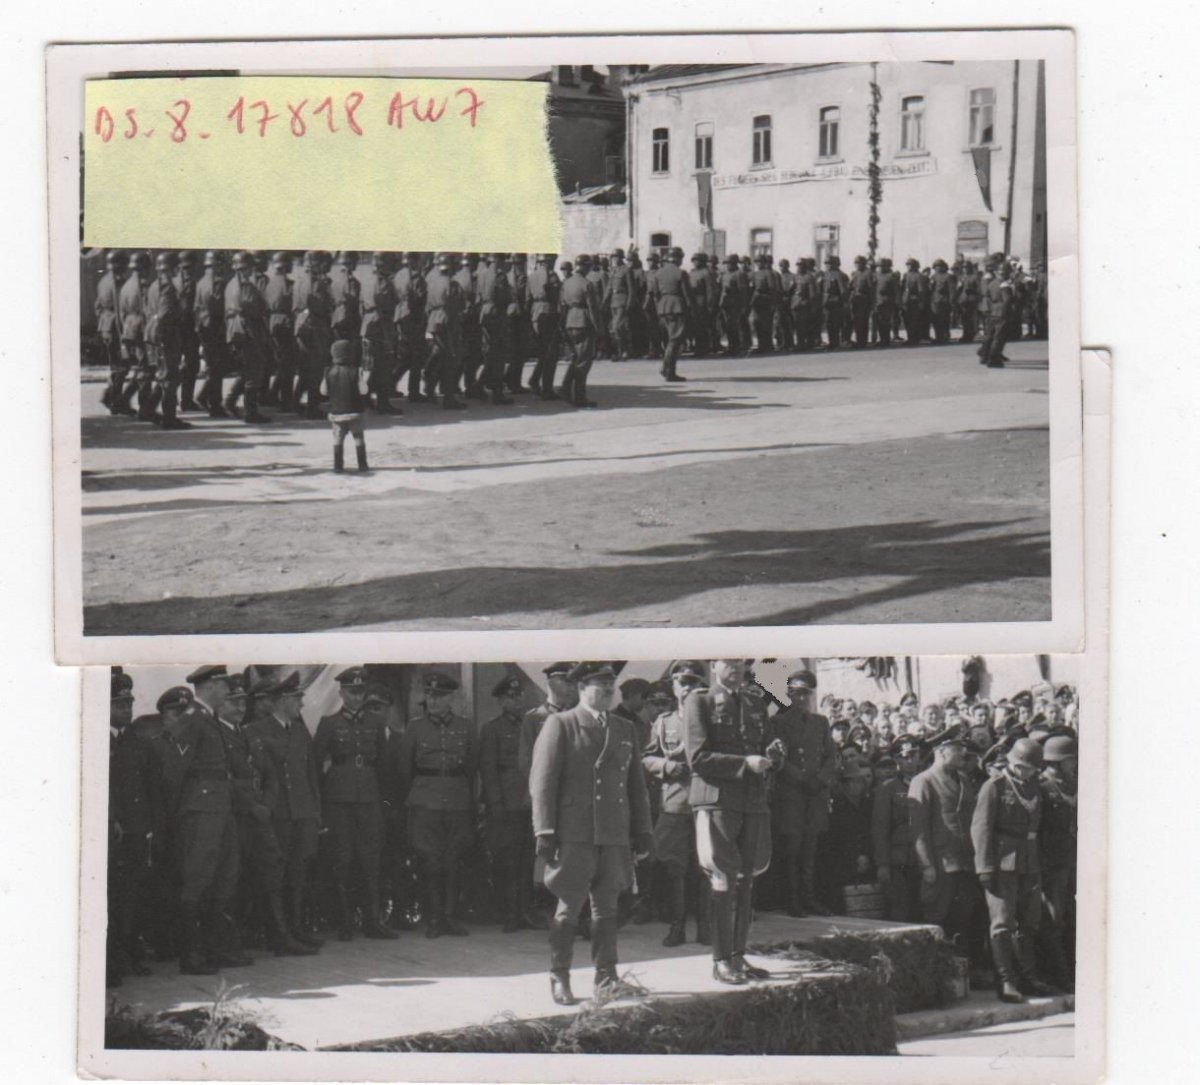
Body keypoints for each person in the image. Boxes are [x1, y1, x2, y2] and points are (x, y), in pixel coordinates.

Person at [530, 661, 653, 1006]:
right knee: (569, 905)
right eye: (601, 686)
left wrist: (643, 829)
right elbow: (543, 781)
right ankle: (559, 976)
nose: (609, 691)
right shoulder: (562, 724)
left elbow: (636, 786)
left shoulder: (623, 728)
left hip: (613, 831)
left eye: (611, 685)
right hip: (575, 831)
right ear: (582, 689)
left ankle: (606, 976)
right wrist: (545, 830)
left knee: (607, 906)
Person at [682, 659, 783, 985]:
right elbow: (697, 757)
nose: (736, 668)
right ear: (714, 665)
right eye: (729, 662)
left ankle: (738, 956)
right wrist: (745, 763)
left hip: (752, 801)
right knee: (722, 879)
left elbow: (766, 746)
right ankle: (721, 959)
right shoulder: (699, 701)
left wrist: (774, 756)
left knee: (748, 880)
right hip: (717, 800)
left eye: (741, 662)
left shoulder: (755, 702)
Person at [161, 665, 244, 975]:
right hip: (201, 809)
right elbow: (174, 770)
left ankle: (214, 948)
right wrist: (180, 812)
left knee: (223, 877)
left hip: (220, 807)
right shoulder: (193, 718)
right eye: (223, 685)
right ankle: (192, 954)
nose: (227, 691)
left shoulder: (208, 719)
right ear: (209, 686)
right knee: (197, 880)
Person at [242, 670, 323, 950]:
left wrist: (315, 813)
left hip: (301, 813)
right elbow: (254, 778)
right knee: (274, 875)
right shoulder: (255, 731)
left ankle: (295, 928)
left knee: (297, 873)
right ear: (282, 701)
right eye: (297, 698)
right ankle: (279, 935)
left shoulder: (300, 731)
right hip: (276, 815)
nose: (301, 704)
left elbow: (311, 776)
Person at [312, 668, 396, 941]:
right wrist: (321, 804)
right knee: (342, 859)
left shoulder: (375, 723)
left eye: (360, 692)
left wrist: (383, 802)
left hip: (369, 799)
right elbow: (315, 766)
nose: (356, 697)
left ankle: (373, 920)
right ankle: (345, 921)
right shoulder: (329, 723)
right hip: (338, 800)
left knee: (371, 860)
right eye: (351, 692)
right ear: (341, 693)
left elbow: (383, 766)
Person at [972, 737, 1054, 1002]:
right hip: (1002, 862)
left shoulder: (1033, 787)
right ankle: (1006, 981)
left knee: (1029, 921)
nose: (1029, 773)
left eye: (1032, 769)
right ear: (1015, 764)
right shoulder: (993, 786)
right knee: (1002, 922)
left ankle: (1028, 977)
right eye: (1026, 768)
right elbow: (981, 828)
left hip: (1030, 861)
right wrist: (984, 867)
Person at [398, 672, 478, 939]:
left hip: (457, 800)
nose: (433, 701)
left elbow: (472, 766)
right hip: (425, 803)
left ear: (451, 699)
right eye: (430, 695)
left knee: (453, 860)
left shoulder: (466, 727)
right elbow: (405, 770)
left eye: (439, 696)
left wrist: (466, 796)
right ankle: (433, 917)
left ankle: (450, 917)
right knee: (430, 861)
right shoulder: (415, 728)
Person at [642, 662, 711, 946]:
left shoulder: (712, 718)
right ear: (674, 687)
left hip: (707, 800)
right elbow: (647, 758)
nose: (687, 689)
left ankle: (706, 926)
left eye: (693, 683)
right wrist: (667, 766)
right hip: (675, 803)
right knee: (674, 868)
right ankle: (677, 926)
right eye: (682, 683)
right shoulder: (664, 722)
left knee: (706, 866)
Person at [107, 670, 164, 986]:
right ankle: (110, 958)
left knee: (133, 893)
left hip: (137, 831)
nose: (126, 709)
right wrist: (113, 818)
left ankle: (130, 951)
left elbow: (152, 787)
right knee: (110, 895)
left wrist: (152, 826)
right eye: (119, 704)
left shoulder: (139, 743)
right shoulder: (94, 739)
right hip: (111, 830)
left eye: (128, 703)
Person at [908, 725, 982, 963]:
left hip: (965, 863)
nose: (963, 754)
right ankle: (935, 971)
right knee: (937, 919)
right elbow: (918, 829)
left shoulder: (963, 780)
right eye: (957, 749)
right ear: (941, 751)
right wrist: (926, 865)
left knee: (963, 921)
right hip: (941, 865)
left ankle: (961, 970)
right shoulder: (923, 781)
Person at [770, 669, 838, 915]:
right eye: (797, 693)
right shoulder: (778, 722)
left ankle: (809, 897)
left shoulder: (821, 722)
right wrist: (800, 778)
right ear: (789, 694)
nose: (802, 698)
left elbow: (831, 755)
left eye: (806, 694)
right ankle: (793, 899)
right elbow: (779, 757)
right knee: (793, 848)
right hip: (792, 794)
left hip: (815, 794)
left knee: (810, 847)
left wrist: (821, 779)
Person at [478, 674, 543, 932]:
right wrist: (496, 804)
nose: (517, 701)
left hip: (530, 801)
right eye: (511, 697)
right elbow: (488, 769)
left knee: (528, 859)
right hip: (506, 803)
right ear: (501, 701)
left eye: (519, 696)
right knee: (508, 859)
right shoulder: (492, 729)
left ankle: (527, 911)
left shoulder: (532, 724)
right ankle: (510, 912)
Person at [1038, 732, 1077, 992]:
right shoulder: (1042, 787)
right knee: (1053, 919)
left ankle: (1072, 972)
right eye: (1070, 759)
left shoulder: (1073, 785)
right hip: (1052, 864)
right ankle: (1058, 976)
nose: (1074, 764)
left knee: (1072, 917)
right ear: (1057, 761)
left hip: (1071, 861)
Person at [223, 251, 273, 422]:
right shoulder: (246, 286)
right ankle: (250, 412)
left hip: (236, 330)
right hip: (248, 330)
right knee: (254, 370)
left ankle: (230, 401)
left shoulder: (231, 284)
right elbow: (255, 309)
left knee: (246, 370)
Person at [424, 252, 467, 410]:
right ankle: (449, 398)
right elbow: (459, 305)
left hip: (433, 321)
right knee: (450, 361)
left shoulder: (432, 282)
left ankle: (429, 387)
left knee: (438, 358)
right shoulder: (452, 285)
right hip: (447, 322)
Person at [559, 254, 602, 407]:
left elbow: (562, 305)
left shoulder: (567, 282)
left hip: (570, 321)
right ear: (586, 266)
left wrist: (563, 324)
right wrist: (598, 328)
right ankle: (579, 396)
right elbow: (593, 308)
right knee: (583, 361)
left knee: (576, 358)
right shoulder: (587, 284)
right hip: (584, 322)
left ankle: (565, 388)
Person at [97, 251, 136, 416]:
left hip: (106, 327)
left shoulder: (103, 280)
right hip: (116, 328)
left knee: (117, 366)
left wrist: (103, 325)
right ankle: (114, 400)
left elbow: (98, 306)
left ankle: (111, 397)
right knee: (121, 366)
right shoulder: (117, 282)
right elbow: (120, 311)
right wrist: (123, 335)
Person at [475, 253, 515, 405]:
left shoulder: (482, 273)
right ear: (498, 260)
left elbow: (478, 295)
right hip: (496, 315)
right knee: (499, 355)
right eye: (503, 259)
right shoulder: (500, 276)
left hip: (484, 313)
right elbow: (504, 297)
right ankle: (497, 393)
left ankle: (480, 385)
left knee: (492, 353)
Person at [326, 339, 369, 474]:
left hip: (336, 413)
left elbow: (323, 391)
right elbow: (364, 391)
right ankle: (362, 465)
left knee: (338, 439)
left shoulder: (328, 371)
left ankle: (338, 466)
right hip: (355, 412)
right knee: (358, 438)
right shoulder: (356, 371)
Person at [526, 254, 562, 399]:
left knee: (543, 350)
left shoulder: (531, 276)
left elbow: (527, 298)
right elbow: (556, 296)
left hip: (535, 313)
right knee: (551, 353)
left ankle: (535, 379)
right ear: (549, 261)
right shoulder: (552, 276)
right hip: (548, 312)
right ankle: (547, 388)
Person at [820, 256, 848, 349]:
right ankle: (831, 342)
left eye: (829, 263)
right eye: (826, 263)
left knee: (835, 323)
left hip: (836, 302)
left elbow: (843, 291)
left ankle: (835, 343)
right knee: (828, 323)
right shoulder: (826, 274)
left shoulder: (839, 275)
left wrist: (844, 303)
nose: (827, 265)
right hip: (827, 302)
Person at [848, 256, 874, 348]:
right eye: (856, 263)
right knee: (856, 321)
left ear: (863, 263)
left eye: (859, 263)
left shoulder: (868, 273)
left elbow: (871, 289)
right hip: (855, 299)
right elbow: (851, 286)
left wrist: (872, 302)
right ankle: (859, 340)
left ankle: (862, 341)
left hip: (864, 300)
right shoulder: (855, 273)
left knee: (863, 321)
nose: (857, 265)